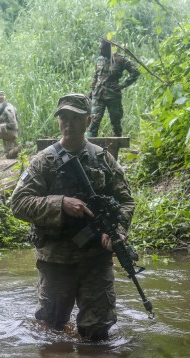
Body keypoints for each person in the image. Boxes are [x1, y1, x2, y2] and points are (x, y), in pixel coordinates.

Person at [10, 93, 135, 341]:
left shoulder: (103, 159)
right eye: (63, 117)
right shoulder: (43, 161)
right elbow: (18, 203)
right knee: (50, 329)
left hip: (95, 259)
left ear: (88, 121)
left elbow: (125, 201)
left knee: (98, 332)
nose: (68, 123)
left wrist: (118, 230)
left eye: (75, 118)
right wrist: (60, 204)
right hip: (56, 259)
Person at [86, 38, 140, 138]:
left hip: (113, 96)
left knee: (116, 123)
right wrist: (92, 90)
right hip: (98, 95)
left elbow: (135, 72)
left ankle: (116, 148)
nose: (100, 51)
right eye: (100, 49)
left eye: (103, 49)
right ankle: (88, 148)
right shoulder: (99, 60)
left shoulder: (121, 59)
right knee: (93, 122)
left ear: (110, 48)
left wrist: (122, 85)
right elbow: (96, 76)